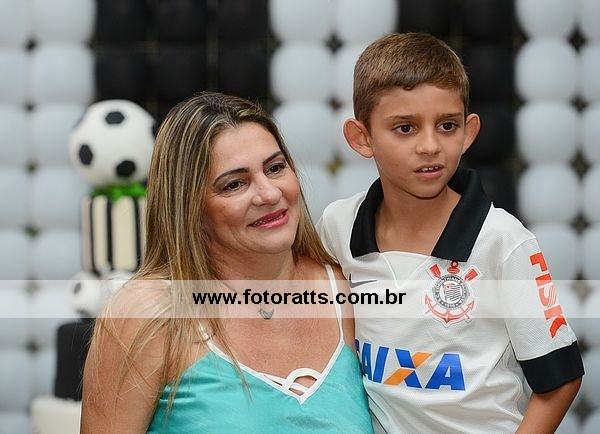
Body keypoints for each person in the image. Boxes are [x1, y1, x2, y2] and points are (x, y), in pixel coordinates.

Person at [317, 32, 583, 433]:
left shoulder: (503, 242)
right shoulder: (337, 227)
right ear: (362, 137)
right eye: (405, 128)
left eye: (446, 126)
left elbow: (560, 380)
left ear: (468, 132)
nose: (430, 146)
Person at [81, 92, 374, 433]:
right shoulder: (146, 315)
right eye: (234, 184)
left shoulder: (346, 288)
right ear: (189, 208)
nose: (269, 194)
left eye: (275, 168)